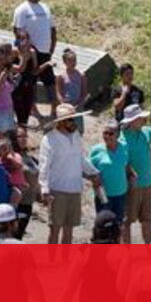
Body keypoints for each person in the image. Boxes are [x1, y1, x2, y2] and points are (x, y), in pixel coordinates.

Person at [39, 105, 100, 244]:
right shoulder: (49, 139)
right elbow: (44, 166)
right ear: (61, 122)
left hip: (75, 189)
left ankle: (66, 258)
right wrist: (45, 189)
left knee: (69, 230)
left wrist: (94, 172)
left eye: (74, 119)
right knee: (55, 229)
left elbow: (81, 158)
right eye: (70, 120)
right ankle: (51, 258)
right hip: (57, 190)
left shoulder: (76, 135)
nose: (74, 122)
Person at [12, 0, 57, 122]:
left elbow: (52, 29)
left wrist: (52, 46)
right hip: (30, 52)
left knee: (50, 81)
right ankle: (34, 110)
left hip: (45, 51)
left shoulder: (46, 7)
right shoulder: (21, 10)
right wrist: (23, 52)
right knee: (30, 82)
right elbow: (17, 32)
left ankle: (54, 111)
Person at [119, 102, 151, 244]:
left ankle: (150, 251)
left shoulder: (145, 132)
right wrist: (129, 174)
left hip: (148, 185)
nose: (144, 120)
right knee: (127, 222)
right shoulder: (122, 140)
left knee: (147, 221)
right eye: (140, 118)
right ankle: (127, 253)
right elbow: (121, 163)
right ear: (132, 121)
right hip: (132, 187)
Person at [88, 121, 129, 226]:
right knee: (104, 226)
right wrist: (94, 181)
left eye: (110, 133)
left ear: (117, 135)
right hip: (103, 195)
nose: (107, 136)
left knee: (119, 225)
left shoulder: (124, 147)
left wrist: (132, 175)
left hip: (121, 194)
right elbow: (88, 170)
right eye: (105, 133)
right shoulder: (96, 150)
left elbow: (125, 164)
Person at [55, 50, 87, 134]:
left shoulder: (81, 75)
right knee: (66, 129)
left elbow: (84, 92)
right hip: (66, 107)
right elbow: (58, 92)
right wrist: (63, 104)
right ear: (65, 62)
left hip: (78, 106)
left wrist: (79, 104)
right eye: (70, 60)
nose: (73, 62)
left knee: (78, 130)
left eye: (74, 60)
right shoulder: (61, 76)